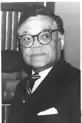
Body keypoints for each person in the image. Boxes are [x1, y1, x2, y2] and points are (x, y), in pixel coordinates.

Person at [8, 4, 80, 123]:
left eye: (45, 36)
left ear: (61, 41)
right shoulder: (22, 87)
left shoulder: (77, 84)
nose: (36, 45)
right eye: (27, 38)